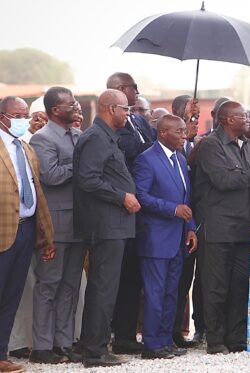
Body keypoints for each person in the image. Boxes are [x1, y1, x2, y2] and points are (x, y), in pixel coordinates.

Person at [194, 101, 250, 354]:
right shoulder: (211, 146)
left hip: (245, 227)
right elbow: (223, 180)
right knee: (216, 285)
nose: (248, 119)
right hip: (219, 227)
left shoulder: (248, 145)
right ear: (227, 119)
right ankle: (215, 339)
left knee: (240, 284)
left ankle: (236, 337)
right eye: (242, 116)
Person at [73, 89, 140, 368]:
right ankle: (94, 352)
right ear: (111, 108)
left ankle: (97, 346)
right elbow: (88, 179)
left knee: (106, 288)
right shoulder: (96, 138)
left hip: (115, 225)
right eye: (125, 109)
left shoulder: (107, 137)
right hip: (105, 225)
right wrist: (121, 196)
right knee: (103, 287)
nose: (128, 114)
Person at [28, 87, 86, 364]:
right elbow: (50, 176)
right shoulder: (42, 139)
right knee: (49, 285)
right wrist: (82, 166)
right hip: (56, 225)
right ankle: (42, 347)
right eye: (70, 104)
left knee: (70, 286)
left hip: (80, 224)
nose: (76, 107)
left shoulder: (78, 136)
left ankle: (63, 343)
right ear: (55, 110)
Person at [133, 114, 198, 360]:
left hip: (178, 237)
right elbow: (141, 195)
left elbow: (185, 199)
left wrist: (190, 227)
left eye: (184, 132)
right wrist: (172, 209)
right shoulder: (146, 160)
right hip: (156, 238)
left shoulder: (180, 159)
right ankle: (151, 344)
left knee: (172, 292)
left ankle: (165, 340)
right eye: (179, 132)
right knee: (155, 292)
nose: (184, 135)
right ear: (162, 133)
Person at [0, 96, 55, 373]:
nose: (22, 120)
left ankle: (1, 354)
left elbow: (37, 193)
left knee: (12, 295)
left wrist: (46, 234)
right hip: (2, 232)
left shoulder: (25, 147)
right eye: (17, 115)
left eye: (25, 114)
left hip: (26, 229)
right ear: (2, 116)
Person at [107, 72, 155, 355]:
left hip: (144, 210)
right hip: (123, 208)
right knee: (121, 277)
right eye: (134, 87)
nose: (138, 91)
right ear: (121, 90)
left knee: (135, 277)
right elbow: (137, 152)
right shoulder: (112, 127)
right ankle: (118, 334)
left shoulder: (138, 121)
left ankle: (129, 335)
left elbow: (155, 146)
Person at [170, 94, 204, 348]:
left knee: (184, 282)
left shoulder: (196, 143)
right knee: (170, 281)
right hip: (171, 223)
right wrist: (188, 139)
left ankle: (177, 331)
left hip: (193, 221)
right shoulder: (176, 144)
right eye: (189, 115)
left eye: (196, 116)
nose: (194, 121)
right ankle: (166, 332)